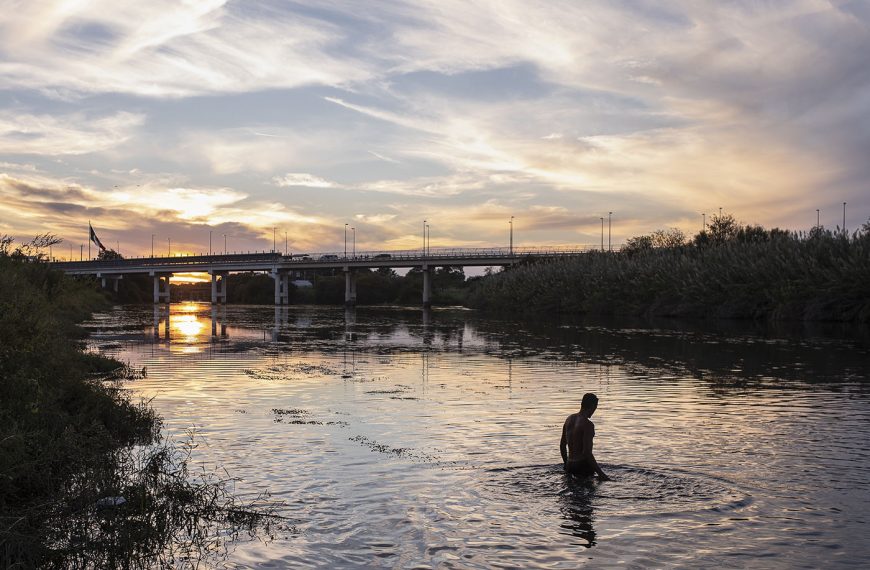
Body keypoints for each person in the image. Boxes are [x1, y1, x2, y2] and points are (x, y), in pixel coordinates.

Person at [560, 393, 610, 481]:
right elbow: (587, 453)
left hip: (570, 465)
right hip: (582, 466)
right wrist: (602, 474)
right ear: (592, 406)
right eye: (595, 408)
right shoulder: (588, 425)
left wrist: (566, 463)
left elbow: (562, 445)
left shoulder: (569, 419)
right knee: (588, 493)